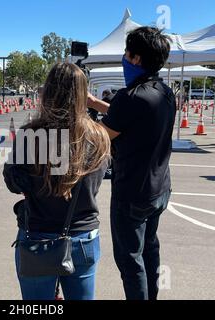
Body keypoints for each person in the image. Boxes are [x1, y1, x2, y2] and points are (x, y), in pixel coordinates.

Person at [3, 63, 111, 300]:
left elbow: (14, 183)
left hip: (38, 237)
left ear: (48, 93)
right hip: (83, 236)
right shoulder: (99, 136)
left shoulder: (31, 135)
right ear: (84, 94)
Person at [87, 27, 176, 300]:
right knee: (149, 249)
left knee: (129, 261)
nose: (125, 58)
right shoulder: (163, 92)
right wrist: (94, 103)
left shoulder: (130, 97)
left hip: (132, 193)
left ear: (136, 59)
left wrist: (79, 118)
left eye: (127, 53)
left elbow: (100, 137)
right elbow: (128, 116)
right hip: (159, 189)